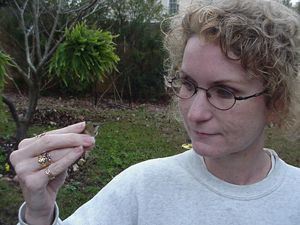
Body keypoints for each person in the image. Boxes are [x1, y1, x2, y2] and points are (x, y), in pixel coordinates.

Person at [10, 0, 300, 224]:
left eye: (224, 92)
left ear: (276, 103)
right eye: (187, 83)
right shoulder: (143, 187)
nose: (196, 113)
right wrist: (40, 214)